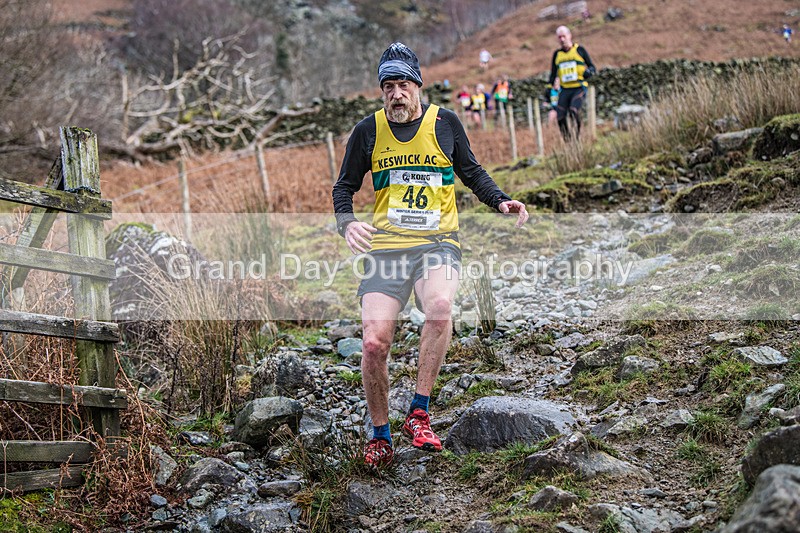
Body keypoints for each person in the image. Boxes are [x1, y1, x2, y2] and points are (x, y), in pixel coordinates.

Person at [332, 42, 528, 468]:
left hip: (437, 242)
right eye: (388, 86)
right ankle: (380, 435)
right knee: (372, 344)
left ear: (417, 86)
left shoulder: (446, 123)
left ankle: (418, 413)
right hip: (386, 249)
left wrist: (499, 201)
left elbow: (471, 170)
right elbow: (343, 187)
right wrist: (347, 223)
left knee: (440, 307)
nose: (395, 94)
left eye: (403, 84)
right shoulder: (368, 131)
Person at [548, 25, 596, 141]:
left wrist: (589, 72)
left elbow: (592, 67)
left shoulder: (580, 50)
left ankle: (577, 138)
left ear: (569, 36)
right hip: (564, 89)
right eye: (559, 37)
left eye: (564, 36)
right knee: (560, 116)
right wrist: (549, 88)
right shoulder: (557, 55)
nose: (562, 39)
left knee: (574, 111)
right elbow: (553, 74)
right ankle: (568, 142)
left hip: (579, 87)